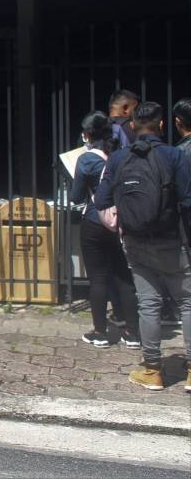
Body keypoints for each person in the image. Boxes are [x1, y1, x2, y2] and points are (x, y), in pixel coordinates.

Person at [95, 101, 191, 392]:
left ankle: (152, 370)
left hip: (134, 241)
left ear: (133, 126)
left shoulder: (118, 159)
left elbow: (101, 200)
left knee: (149, 303)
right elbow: (187, 201)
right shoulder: (174, 155)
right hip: (172, 241)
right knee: (187, 302)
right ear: (162, 125)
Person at [68, 111, 140, 348]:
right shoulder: (122, 155)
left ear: (88, 134)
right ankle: (132, 332)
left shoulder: (87, 159)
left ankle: (100, 332)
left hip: (95, 220)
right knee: (123, 275)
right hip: (121, 222)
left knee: (98, 277)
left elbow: (77, 196)